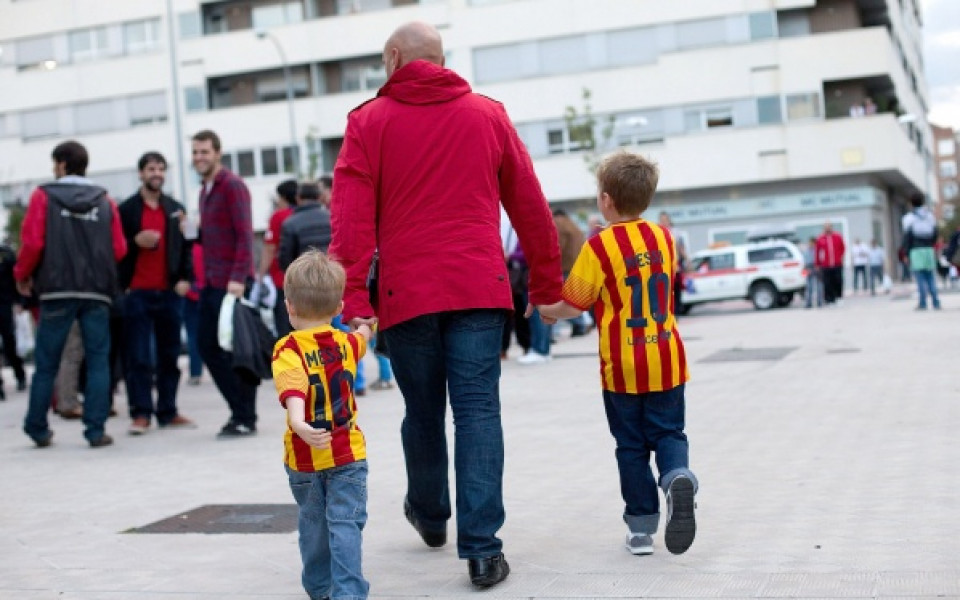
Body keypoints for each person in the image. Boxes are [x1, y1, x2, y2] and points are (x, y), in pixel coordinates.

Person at [327, 21, 563, 588]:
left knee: (424, 411)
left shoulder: (368, 123)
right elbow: (530, 203)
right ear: (441, 59)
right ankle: (482, 550)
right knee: (479, 410)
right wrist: (547, 288)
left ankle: (432, 516)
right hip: (480, 288)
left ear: (392, 57)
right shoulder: (488, 115)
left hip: (407, 295)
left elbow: (352, 219)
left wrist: (354, 299)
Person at [538, 151, 696, 557]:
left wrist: (546, 311)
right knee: (668, 432)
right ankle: (677, 476)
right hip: (667, 356)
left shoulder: (599, 246)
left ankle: (641, 529)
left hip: (622, 364)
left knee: (630, 446)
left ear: (606, 200)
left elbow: (575, 303)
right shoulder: (664, 239)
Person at [272, 250, 373, 600]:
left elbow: (294, 388)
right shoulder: (344, 342)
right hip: (348, 455)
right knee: (345, 524)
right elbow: (361, 338)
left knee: (313, 525)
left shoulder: (287, 349)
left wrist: (299, 422)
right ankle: (349, 591)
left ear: (290, 307)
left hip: (304, 458)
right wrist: (365, 325)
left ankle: (319, 589)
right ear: (338, 308)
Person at [16, 140, 127, 448]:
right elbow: (119, 248)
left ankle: (37, 427)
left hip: (56, 289)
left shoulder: (43, 196)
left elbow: (33, 243)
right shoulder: (106, 200)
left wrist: (22, 276)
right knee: (98, 361)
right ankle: (95, 431)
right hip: (96, 292)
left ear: (63, 164)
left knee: (47, 362)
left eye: (55, 164)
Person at [118, 151, 195, 435]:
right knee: (138, 356)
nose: (157, 174)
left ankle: (168, 410)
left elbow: (188, 245)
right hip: (136, 291)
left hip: (169, 291)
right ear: (141, 173)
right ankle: (140, 413)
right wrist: (134, 241)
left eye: (161, 169)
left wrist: (186, 278)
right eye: (151, 169)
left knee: (170, 355)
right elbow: (114, 248)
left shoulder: (175, 208)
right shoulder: (126, 210)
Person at [191, 129, 258, 437]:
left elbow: (245, 235)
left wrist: (238, 278)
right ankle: (240, 411)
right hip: (212, 281)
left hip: (232, 282)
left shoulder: (232, 186)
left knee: (234, 351)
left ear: (217, 153)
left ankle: (244, 417)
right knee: (208, 346)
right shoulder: (205, 191)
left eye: (204, 151)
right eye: (195, 152)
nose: (199, 157)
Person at [259, 179, 296, 338]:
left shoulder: (278, 217)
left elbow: (269, 248)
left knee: (284, 328)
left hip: (281, 280)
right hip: (304, 281)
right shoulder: (303, 214)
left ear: (283, 197)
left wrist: (260, 274)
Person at [277, 181, 332, 272]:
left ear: (298, 198)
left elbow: (285, 258)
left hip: (303, 276)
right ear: (319, 197)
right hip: (330, 274)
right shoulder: (331, 218)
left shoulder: (290, 223)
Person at [901, 192, 941, 310]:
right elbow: (935, 233)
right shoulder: (929, 216)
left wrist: (906, 253)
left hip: (916, 250)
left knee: (920, 278)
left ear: (911, 203)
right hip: (928, 249)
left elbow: (907, 237)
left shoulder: (909, 218)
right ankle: (935, 301)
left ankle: (923, 303)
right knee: (931, 277)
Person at [0, 241, 27, 398]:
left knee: (9, 343)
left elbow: (16, 278)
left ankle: (20, 374)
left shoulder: (6, 254)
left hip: (4, 305)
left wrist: (19, 302)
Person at [815, 222, 845, 305]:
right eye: (826, 227)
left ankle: (839, 297)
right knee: (827, 283)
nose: (828, 228)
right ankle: (829, 299)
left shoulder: (837, 236)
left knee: (838, 281)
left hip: (836, 263)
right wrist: (817, 264)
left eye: (829, 227)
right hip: (826, 265)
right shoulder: (820, 238)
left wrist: (840, 257)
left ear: (832, 227)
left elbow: (842, 248)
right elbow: (817, 252)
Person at [803, 237, 823, 308]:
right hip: (808, 268)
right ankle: (808, 303)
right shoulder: (806, 251)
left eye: (812, 243)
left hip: (817, 268)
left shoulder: (818, 251)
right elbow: (804, 261)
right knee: (809, 287)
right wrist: (804, 270)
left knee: (819, 286)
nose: (810, 244)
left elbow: (821, 259)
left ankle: (820, 302)